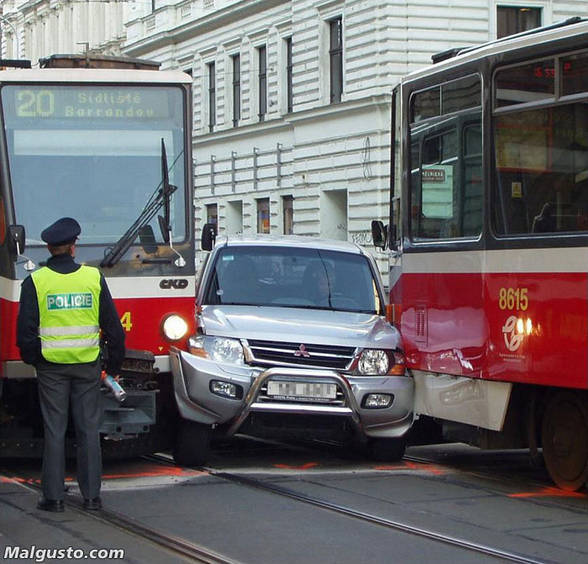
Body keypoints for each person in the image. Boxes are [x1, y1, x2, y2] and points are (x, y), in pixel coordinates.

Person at [17, 217, 125, 513]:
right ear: (74, 247)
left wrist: (35, 359)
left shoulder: (36, 281)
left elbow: (25, 332)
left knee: (55, 429)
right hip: (88, 365)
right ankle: (92, 497)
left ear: (50, 248)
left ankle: (53, 498)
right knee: (89, 429)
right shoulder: (92, 278)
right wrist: (113, 366)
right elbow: (114, 328)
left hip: (51, 367)